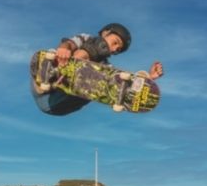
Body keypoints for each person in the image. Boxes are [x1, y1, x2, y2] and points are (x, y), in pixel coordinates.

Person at [31, 23, 164, 116]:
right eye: (115, 42)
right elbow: (70, 44)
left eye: (117, 50)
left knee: (108, 82)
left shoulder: (105, 68)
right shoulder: (86, 38)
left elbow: (125, 81)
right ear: (105, 32)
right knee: (95, 47)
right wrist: (64, 49)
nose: (113, 49)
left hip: (60, 104)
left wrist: (149, 79)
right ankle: (52, 72)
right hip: (44, 91)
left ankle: (71, 77)